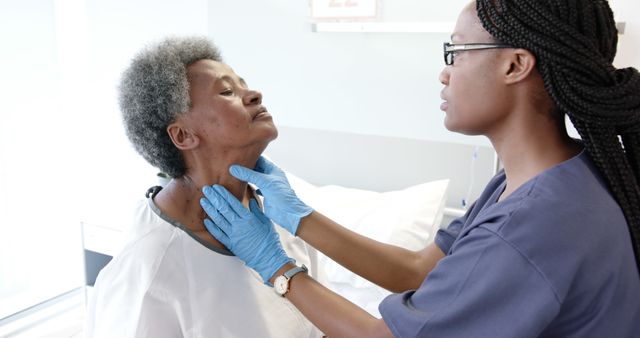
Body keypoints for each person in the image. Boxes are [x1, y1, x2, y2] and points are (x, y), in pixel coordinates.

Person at [200, 0, 640, 337]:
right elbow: (418, 269)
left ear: (515, 65)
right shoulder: (544, 176)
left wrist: (277, 268)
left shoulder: (531, 227)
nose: (444, 74)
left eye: (457, 52)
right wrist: (301, 217)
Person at [85, 36, 324, 337]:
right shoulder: (150, 268)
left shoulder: (282, 216)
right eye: (227, 91)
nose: (254, 94)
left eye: (243, 83)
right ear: (183, 136)